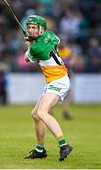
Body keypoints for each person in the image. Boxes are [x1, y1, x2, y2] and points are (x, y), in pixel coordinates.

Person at [24, 15, 73, 161]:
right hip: (54, 81)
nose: (31, 30)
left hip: (58, 81)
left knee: (42, 112)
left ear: (41, 29)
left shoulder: (37, 48)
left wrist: (29, 44)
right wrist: (34, 40)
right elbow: (55, 40)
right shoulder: (50, 34)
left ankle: (64, 145)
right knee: (35, 114)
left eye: (34, 27)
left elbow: (27, 58)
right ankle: (40, 150)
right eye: (29, 27)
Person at [58, 40, 75, 120]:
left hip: (67, 75)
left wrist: (68, 62)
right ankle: (50, 111)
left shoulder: (68, 51)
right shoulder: (56, 51)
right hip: (58, 76)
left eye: (63, 42)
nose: (62, 44)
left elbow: (72, 61)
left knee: (68, 94)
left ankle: (65, 111)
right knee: (56, 95)